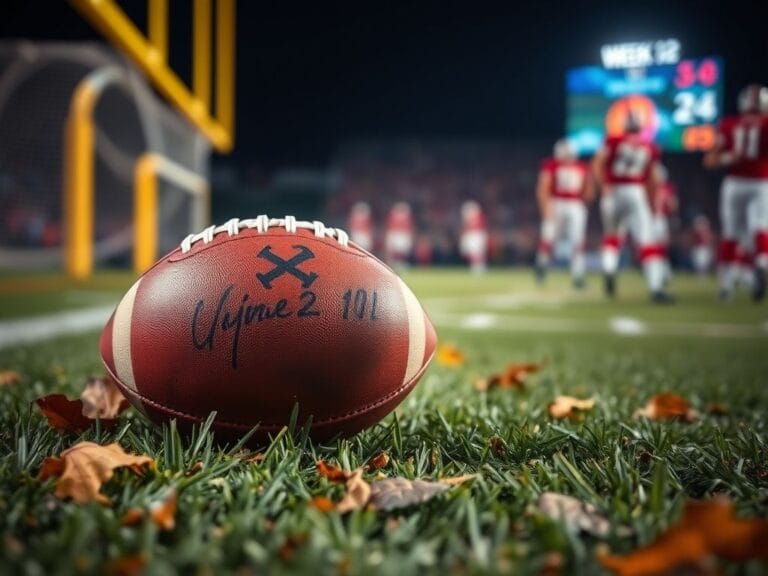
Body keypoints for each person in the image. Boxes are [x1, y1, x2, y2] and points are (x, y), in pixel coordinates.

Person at [592, 113, 672, 303]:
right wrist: (653, 204)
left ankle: (609, 270)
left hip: (612, 192)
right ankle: (655, 288)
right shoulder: (649, 147)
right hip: (635, 192)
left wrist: (604, 185)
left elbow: (597, 164)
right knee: (646, 241)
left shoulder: (613, 141)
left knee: (611, 236)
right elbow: (653, 179)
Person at [703, 83, 768, 302]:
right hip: (761, 181)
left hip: (734, 183)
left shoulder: (729, 124)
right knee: (760, 227)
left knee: (730, 234)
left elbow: (710, 160)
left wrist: (729, 158)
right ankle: (762, 263)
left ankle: (726, 286)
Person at [534, 139, 593, 289]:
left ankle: (577, 275)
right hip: (557, 202)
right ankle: (541, 267)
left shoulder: (581, 167)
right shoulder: (552, 165)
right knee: (548, 238)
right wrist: (546, 207)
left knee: (577, 241)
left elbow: (588, 191)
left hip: (574, 204)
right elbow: (543, 188)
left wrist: (584, 203)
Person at [652, 164, 679, 285]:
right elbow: (673, 206)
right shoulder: (667, 189)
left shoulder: (651, 187)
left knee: (654, 249)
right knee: (661, 248)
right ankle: (664, 273)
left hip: (652, 219)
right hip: (660, 219)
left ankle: (659, 274)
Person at [459, 200, 489, 274]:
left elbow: (478, 227)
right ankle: (476, 267)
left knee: (477, 253)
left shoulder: (479, 217)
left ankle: (479, 268)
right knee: (469, 252)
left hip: (477, 235)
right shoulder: (469, 218)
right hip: (471, 235)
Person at [384, 201, 414, 268]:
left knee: (401, 252)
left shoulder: (406, 216)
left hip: (402, 234)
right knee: (394, 252)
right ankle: (391, 265)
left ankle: (400, 265)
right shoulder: (393, 216)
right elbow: (389, 226)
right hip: (395, 234)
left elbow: (409, 228)